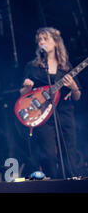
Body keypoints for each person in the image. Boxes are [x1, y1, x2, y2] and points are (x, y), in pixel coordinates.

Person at [20, 27, 82, 178]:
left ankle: (71, 185)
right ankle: (52, 184)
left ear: (55, 42)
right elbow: (22, 94)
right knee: (48, 155)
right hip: (43, 116)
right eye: (39, 39)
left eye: (45, 38)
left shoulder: (66, 67)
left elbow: (77, 96)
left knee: (69, 153)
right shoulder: (32, 67)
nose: (41, 42)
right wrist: (27, 88)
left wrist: (73, 87)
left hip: (65, 115)